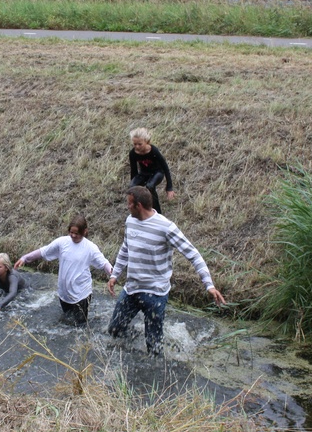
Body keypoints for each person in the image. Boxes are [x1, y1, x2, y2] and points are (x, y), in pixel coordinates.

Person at [107, 186, 226, 356]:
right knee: (114, 330)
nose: (127, 207)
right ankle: (132, 351)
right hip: (131, 289)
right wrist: (114, 275)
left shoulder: (166, 227)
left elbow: (193, 254)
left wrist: (209, 285)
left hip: (155, 294)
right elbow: (125, 249)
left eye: (129, 204)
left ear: (138, 205)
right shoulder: (130, 221)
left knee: (154, 348)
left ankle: (153, 369)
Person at [14, 215, 112, 328]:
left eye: (76, 233)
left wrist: (113, 275)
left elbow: (103, 263)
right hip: (64, 293)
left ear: (84, 232)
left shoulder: (90, 247)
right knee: (66, 325)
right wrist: (25, 258)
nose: (73, 235)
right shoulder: (62, 242)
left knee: (80, 327)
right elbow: (44, 251)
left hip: (82, 294)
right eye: (71, 232)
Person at [129, 127, 175, 215]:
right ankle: (141, 210)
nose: (137, 147)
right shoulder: (133, 153)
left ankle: (157, 213)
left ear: (146, 141)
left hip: (157, 172)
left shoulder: (153, 151)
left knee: (150, 186)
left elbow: (165, 167)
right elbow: (134, 171)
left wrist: (169, 188)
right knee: (132, 187)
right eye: (135, 144)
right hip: (144, 173)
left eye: (140, 144)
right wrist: (133, 188)